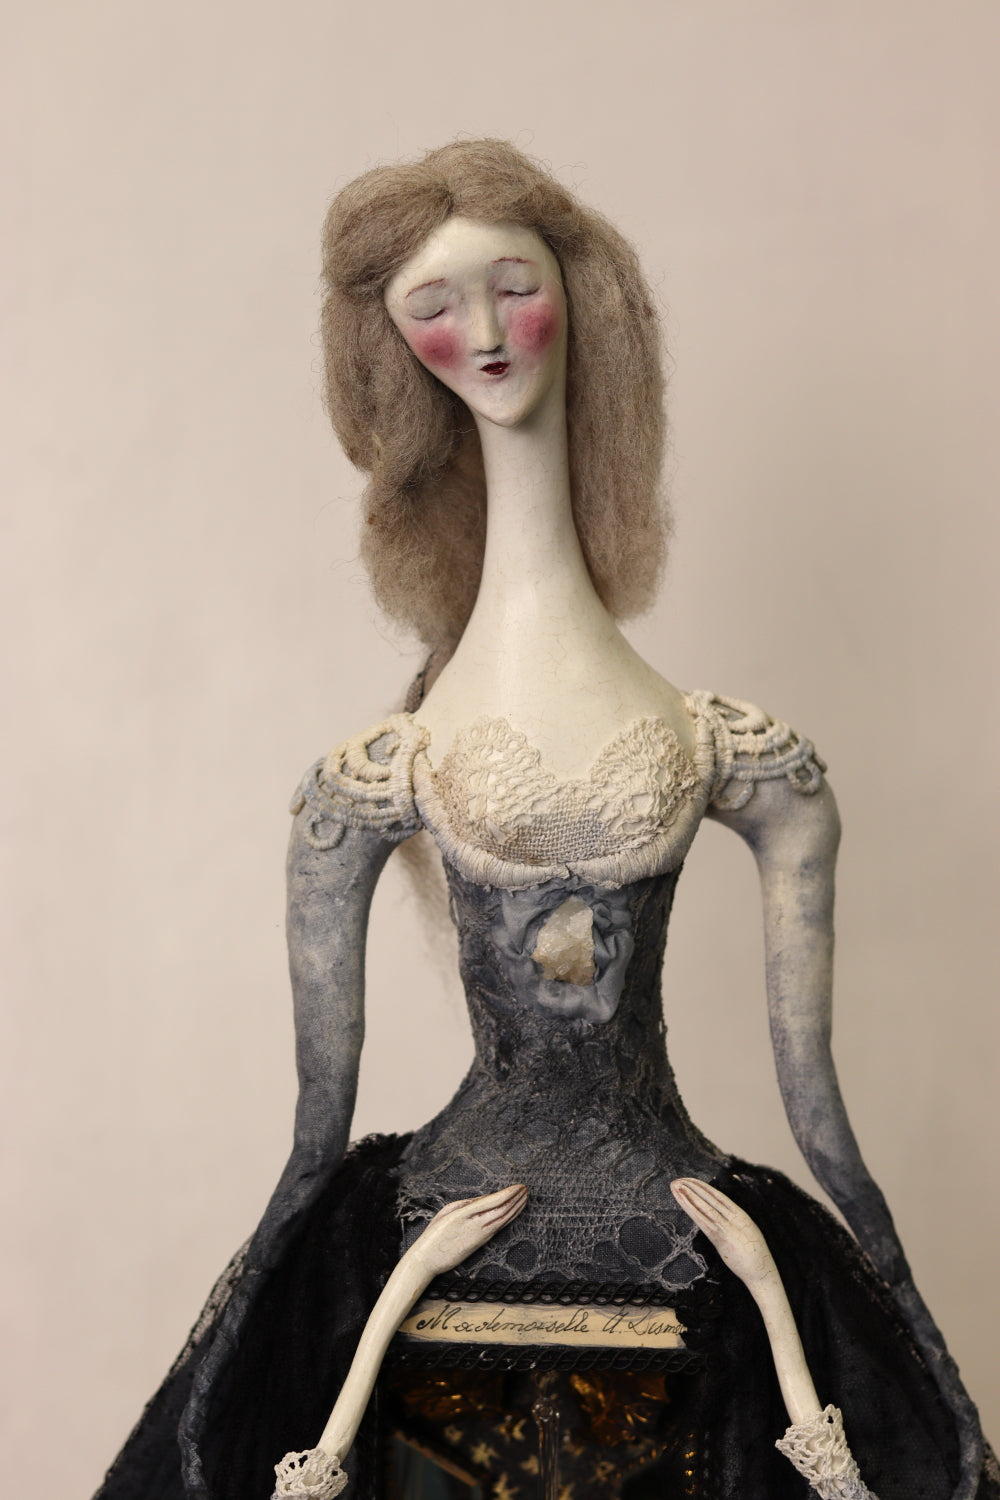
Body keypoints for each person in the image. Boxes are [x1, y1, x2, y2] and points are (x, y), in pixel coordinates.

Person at [95, 140, 997, 1500]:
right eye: (432, 307)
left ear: (582, 296)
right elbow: (313, 1138)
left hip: (671, 1207)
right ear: (394, 351)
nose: (482, 333)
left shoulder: (738, 755)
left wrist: (891, 1303)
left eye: (511, 289)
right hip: (454, 1216)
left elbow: (821, 1114)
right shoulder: (374, 776)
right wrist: (243, 1351)